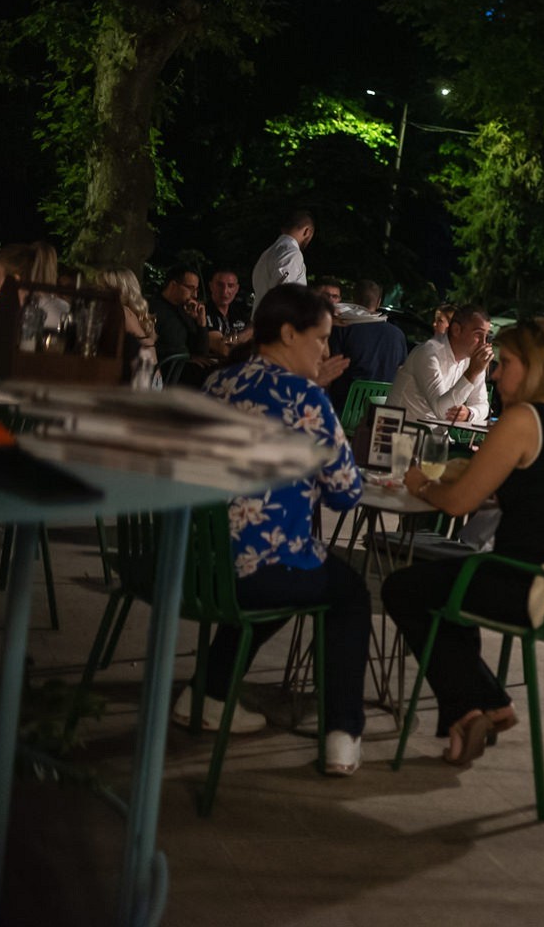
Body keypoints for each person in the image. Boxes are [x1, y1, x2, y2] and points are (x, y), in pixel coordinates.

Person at [382, 317, 544, 765]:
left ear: (535, 368)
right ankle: (470, 714)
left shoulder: (524, 418)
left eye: (505, 364)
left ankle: (486, 702)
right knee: (451, 585)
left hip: (531, 586)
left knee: (403, 587)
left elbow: (456, 504)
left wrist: (420, 485)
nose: (496, 374)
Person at [192, 284, 370, 775]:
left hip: (198, 564)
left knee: (287, 574)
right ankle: (342, 734)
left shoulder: (218, 383)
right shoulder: (306, 398)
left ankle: (209, 694)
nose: (326, 352)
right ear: (289, 334)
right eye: (321, 339)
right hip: (257, 571)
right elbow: (346, 493)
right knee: (347, 592)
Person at [386, 304, 493, 423]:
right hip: (400, 430)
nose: (484, 343)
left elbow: (483, 405)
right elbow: (442, 411)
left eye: (487, 336)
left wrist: (469, 413)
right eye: (478, 334)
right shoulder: (428, 353)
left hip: (433, 432)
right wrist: (471, 373)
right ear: (456, 330)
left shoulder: (471, 360)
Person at [326, 279, 407, 411]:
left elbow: (330, 369)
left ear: (354, 299)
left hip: (343, 409)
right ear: (379, 302)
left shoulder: (342, 329)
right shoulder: (398, 335)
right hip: (380, 411)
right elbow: (401, 373)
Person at [92, 266, 158, 383]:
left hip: (142, 380)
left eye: (104, 288)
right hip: (148, 376)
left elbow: (146, 345)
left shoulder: (123, 312)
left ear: (121, 290)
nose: (98, 292)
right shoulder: (127, 312)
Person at [149, 264, 211, 367]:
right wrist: (186, 359)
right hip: (166, 370)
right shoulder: (152, 309)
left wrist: (201, 323)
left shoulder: (186, 311)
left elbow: (202, 352)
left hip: (183, 367)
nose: (195, 295)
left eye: (196, 290)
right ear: (173, 285)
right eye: (190, 288)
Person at [251, 210, 314, 312]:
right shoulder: (292, 253)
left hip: (261, 317)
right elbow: (283, 295)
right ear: (307, 231)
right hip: (277, 320)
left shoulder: (267, 254)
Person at [203, 267, 251, 358]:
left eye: (230, 286)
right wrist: (248, 332)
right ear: (211, 286)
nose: (225, 291)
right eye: (220, 285)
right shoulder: (203, 312)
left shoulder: (240, 313)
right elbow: (225, 350)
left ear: (236, 289)